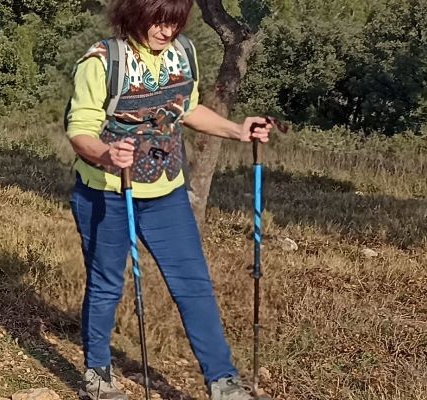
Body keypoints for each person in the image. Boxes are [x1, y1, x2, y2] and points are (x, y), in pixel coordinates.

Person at [62, 0, 273, 399]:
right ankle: (98, 374)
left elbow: (187, 109)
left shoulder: (183, 52)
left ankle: (222, 381)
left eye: (174, 22)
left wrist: (237, 130)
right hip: (107, 192)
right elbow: (80, 131)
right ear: (134, 15)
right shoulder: (102, 61)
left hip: (166, 191)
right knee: (107, 284)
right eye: (157, 21)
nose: (165, 30)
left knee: (194, 285)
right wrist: (106, 154)